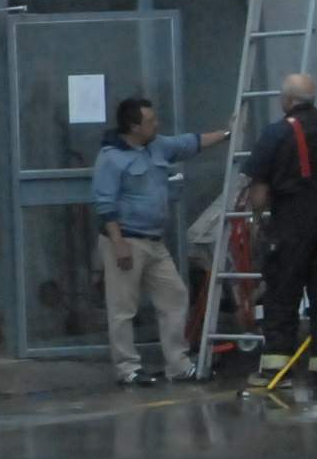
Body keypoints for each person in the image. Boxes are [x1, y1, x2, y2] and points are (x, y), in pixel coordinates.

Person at [92, 98, 227, 385]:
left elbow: (191, 143)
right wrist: (118, 244)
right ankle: (127, 369)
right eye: (150, 121)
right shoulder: (111, 158)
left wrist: (227, 133)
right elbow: (105, 204)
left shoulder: (158, 146)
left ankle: (178, 365)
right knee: (123, 308)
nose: (157, 125)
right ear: (134, 126)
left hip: (154, 241)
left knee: (175, 296)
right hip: (125, 240)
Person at [240, 74, 317, 377]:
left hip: (291, 222)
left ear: (288, 101)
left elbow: (259, 191)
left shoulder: (275, 134)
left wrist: (257, 221)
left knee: (282, 294)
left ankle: (277, 367)